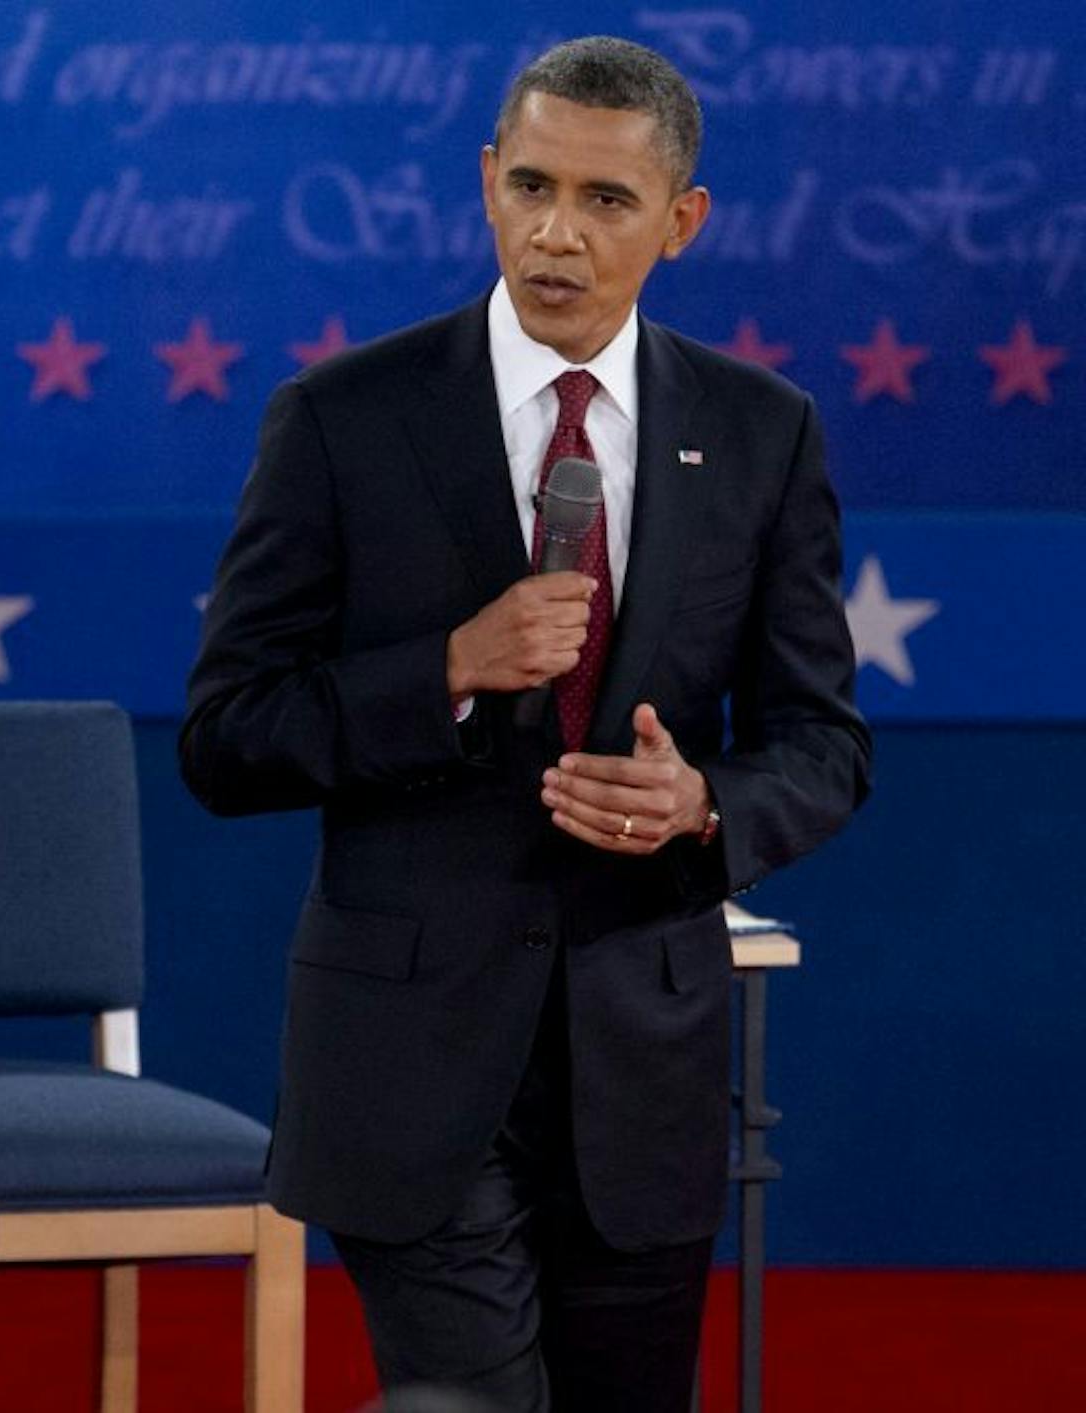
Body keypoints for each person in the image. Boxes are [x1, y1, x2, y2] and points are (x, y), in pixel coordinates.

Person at [181, 36, 870, 1413]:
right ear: (488, 180)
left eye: (607, 200)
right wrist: (446, 666)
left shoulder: (759, 431)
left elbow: (822, 744)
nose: (558, 233)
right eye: (533, 187)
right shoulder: (344, 418)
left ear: (681, 221)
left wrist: (704, 803)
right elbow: (228, 734)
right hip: (410, 1063)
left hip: (641, 1067)